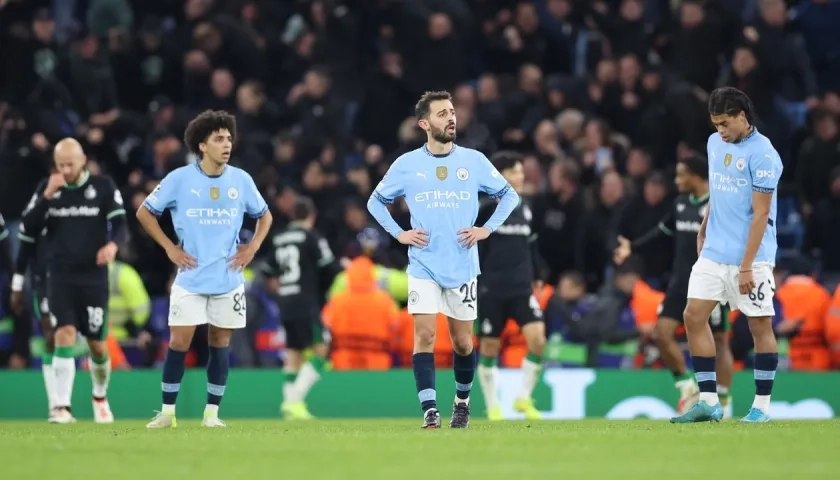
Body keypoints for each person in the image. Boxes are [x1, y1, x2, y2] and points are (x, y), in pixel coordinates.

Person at [367, 91, 520, 429]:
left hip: (463, 264)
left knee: (463, 342)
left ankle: (462, 403)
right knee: (424, 336)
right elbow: (375, 202)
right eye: (442, 114)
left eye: (452, 112)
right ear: (424, 123)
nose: (451, 118)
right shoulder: (406, 165)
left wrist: (486, 229)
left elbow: (509, 194)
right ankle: (430, 409)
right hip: (423, 263)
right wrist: (399, 234)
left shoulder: (473, 160)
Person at [137, 110, 273, 428]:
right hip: (190, 277)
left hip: (228, 277)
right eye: (218, 139)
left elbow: (264, 215)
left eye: (228, 138)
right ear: (202, 145)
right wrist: (170, 247)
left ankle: (211, 414)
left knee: (219, 343)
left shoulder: (241, 180)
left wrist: (252, 248)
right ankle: (168, 413)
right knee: (178, 342)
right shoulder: (179, 179)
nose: (226, 144)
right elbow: (145, 212)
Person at [671, 87, 783, 424]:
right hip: (715, 250)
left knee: (758, 325)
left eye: (724, 123)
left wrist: (748, 267)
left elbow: (761, 214)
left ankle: (761, 407)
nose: (720, 130)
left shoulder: (764, 155)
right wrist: (705, 226)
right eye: (715, 124)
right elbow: (718, 192)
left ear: (741, 116)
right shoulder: (713, 143)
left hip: (752, 257)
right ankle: (708, 400)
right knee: (693, 316)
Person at [17, 138, 129, 424]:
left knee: (97, 345)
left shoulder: (103, 186)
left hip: (93, 278)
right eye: (60, 165)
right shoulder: (48, 187)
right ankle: (62, 408)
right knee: (63, 333)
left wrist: (113, 246)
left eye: (70, 164)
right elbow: (27, 228)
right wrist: (47, 197)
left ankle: (100, 396)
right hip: (59, 276)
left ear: (82, 160)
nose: (65, 170)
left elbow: (120, 224)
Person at [614, 155, 735, 417]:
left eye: (682, 175)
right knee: (661, 334)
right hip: (680, 283)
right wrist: (632, 248)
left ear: (697, 176)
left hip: (711, 283)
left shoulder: (719, 205)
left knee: (720, 340)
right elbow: (661, 231)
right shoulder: (680, 204)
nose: (677, 181)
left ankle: (723, 398)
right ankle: (686, 385)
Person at [474, 151, 546, 421]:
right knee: (490, 348)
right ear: (501, 175)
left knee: (538, 340)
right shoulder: (486, 209)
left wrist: (538, 273)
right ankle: (493, 406)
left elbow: (532, 244)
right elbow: (472, 246)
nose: (520, 176)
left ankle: (522, 398)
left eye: (520, 171)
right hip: (492, 289)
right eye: (514, 171)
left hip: (521, 289)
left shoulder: (525, 208)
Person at [261, 196, 341, 420]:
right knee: (322, 350)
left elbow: (268, 272)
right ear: (311, 216)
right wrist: (321, 290)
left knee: (294, 352)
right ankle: (294, 400)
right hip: (306, 301)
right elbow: (330, 266)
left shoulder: (279, 239)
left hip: (285, 302)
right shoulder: (311, 236)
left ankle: (290, 409)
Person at [9, 220, 54, 419]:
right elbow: (24, 246)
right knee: (51, 335)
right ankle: (57, 402)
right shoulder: (40, 202)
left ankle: (98, 396)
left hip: (75, 279)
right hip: (44, 280)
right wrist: (17, 284)